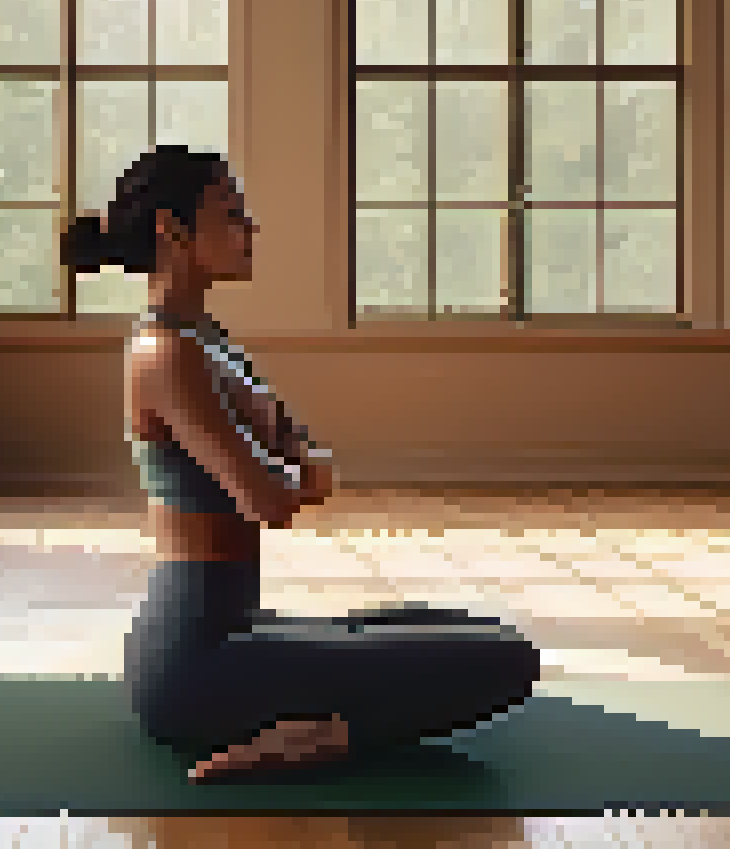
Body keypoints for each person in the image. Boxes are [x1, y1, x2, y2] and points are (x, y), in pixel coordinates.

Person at [60, 145, 542, 783]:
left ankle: (310, 721)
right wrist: (303, 472)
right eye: (232, 214)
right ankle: (322, 739)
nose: (251, 228)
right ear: (172, 230)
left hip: (237, 626)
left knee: (478, 631)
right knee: (508, 662)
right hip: (195, 662)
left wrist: (298, 465)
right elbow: (268, 499)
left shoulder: (207, 339)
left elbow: (293, 443)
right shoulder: (166, 355)